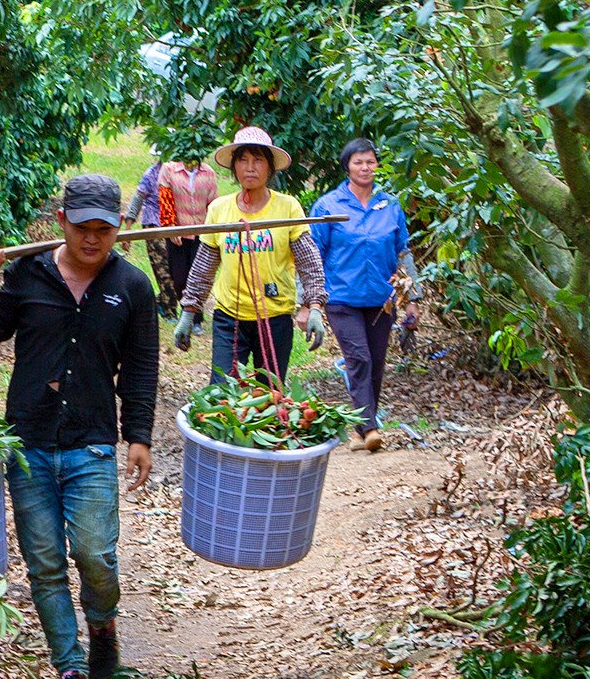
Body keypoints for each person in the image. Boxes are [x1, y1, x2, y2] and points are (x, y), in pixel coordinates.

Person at [0, 174, 159, 679]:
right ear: (61, 223)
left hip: (91, 441)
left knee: (95, 554)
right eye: (82, 228)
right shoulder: (30, 273)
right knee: (44, 562)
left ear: (117, 229)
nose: (92, 240)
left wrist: (137, 435)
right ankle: (69, 668)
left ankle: (102, 626)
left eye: (104, 230)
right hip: (27, 440)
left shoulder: (133, 288)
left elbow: (140, 368)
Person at [173, 126, 327, 383]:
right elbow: (204, 265)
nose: (250, 167)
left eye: (258, 160)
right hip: (229, 318)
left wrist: (314, 307)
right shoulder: (220, 210)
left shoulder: (287, 207)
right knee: (222, 393)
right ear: (234, 168)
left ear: (269, 168)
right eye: (243, 160)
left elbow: (308, 261)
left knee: (269, 396)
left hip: (274, 316)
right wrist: (189, 313)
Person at [310, 138, 420, 453]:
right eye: (359, 162)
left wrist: (413, 298)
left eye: (370, 161)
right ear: (347, 167)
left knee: (375, 363)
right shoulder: (328, 206)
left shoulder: (391, 205)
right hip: (342, 297)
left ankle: (359, 429)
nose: (365, 167)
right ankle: (371, 427)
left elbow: (403, 254)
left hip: (382, 300)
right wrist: (311, 302)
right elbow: (312, 253)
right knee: (359, 357)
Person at [123, 150, 221, 322]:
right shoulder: (154, 173)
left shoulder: (197, 173)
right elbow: (138, 199)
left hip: (186, 228)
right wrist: (129, 226)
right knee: (167, 272)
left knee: (186, 271)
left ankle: (181, 310)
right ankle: (168, 309)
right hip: (156, 224)